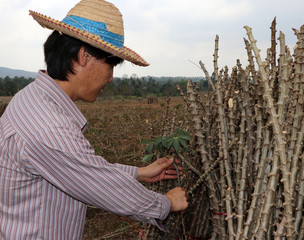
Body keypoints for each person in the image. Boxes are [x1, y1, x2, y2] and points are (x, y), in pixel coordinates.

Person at [0, 0, 188, 239]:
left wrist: (138, 173)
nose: (110, 79)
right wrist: (166, 203)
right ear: (84, 56)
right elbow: (104, 187)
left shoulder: (30, 98)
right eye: (111, 66)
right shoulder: (48, 126)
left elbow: (79, 165)